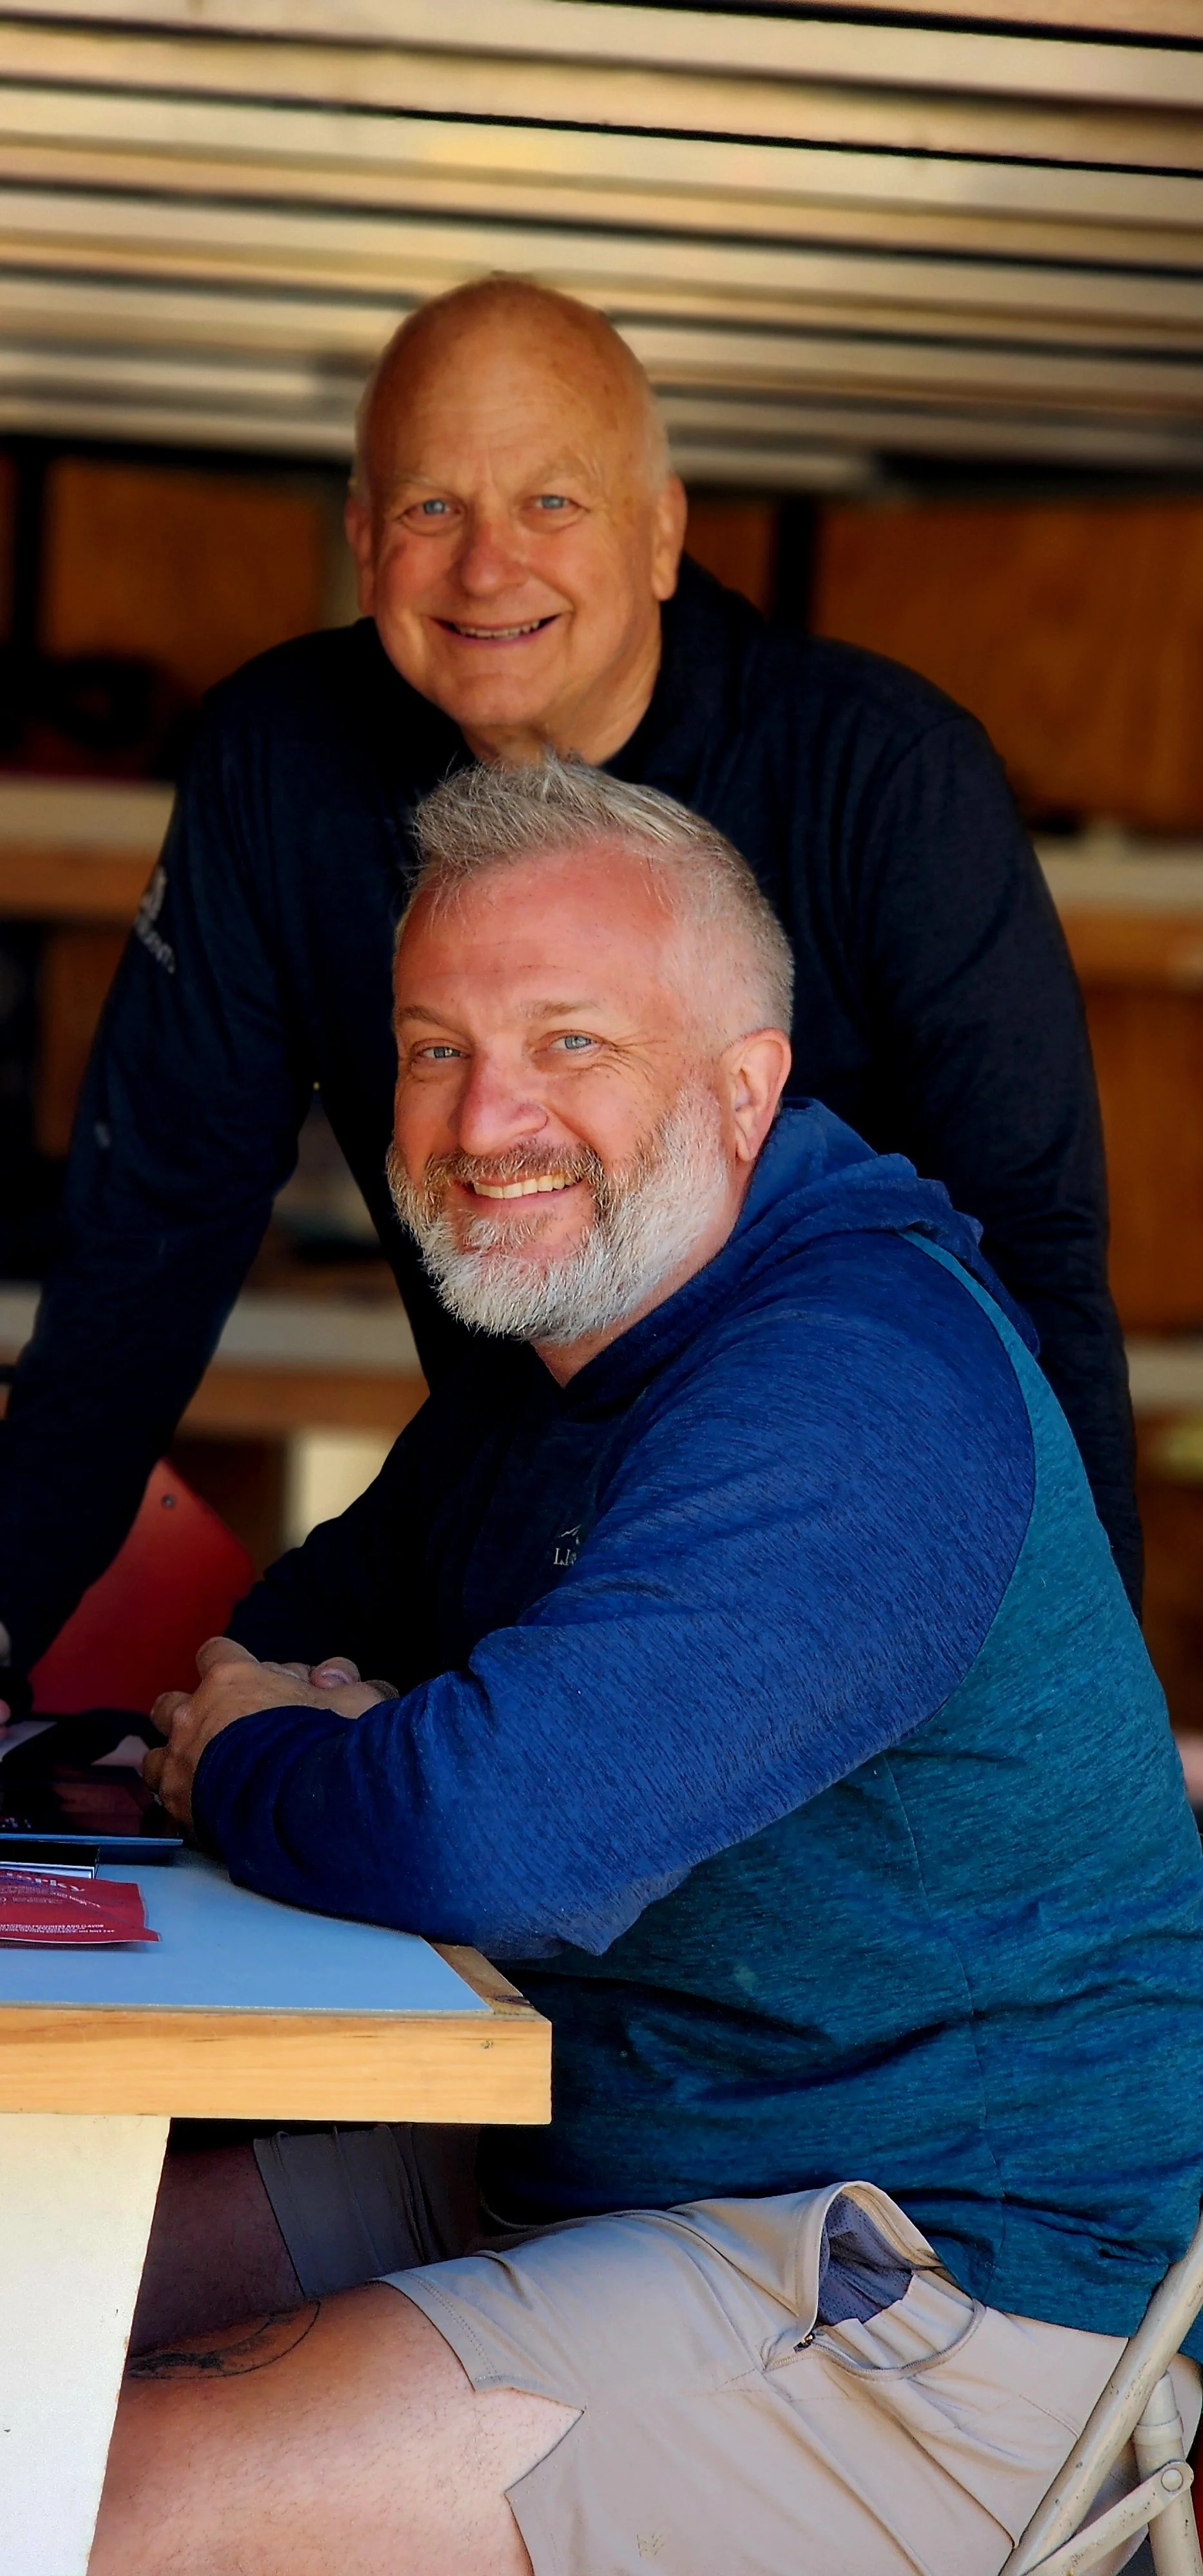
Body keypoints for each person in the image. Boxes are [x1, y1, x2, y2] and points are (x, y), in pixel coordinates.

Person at [95, 762, 1203, 2576]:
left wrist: (263, 1768)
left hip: (940, 2278)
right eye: (434, 1046)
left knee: (125, 2496)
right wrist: (354, 1735)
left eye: (571, 1042)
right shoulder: (577, 1350)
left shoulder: (852, 1388)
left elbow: (494, 1836)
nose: (485, 1113)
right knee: (22, 2317)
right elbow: (296, 1635)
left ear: (745, 1087)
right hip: (617, 2141)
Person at [0, 276, 1137, 1696]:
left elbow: (1032, 1256)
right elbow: (146, 1243)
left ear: (662, 533)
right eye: (429, 510)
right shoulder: (280, 760)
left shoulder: (886, 779)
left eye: (552, 504)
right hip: (501, 1485)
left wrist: (1085, 1701)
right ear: (360, 538)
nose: (487, 570)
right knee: (239, 1719)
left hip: (821, 1537)